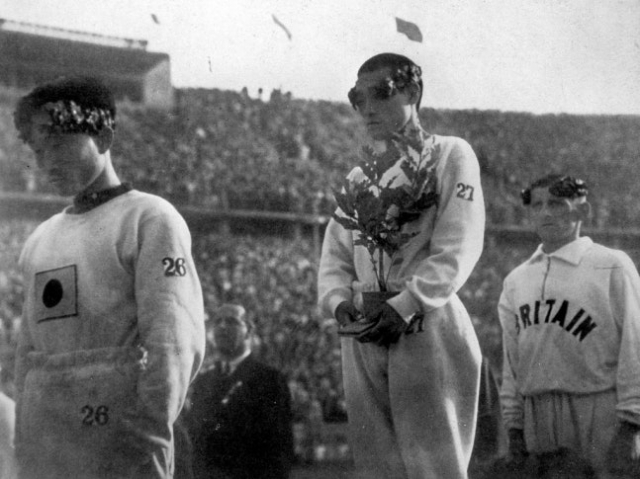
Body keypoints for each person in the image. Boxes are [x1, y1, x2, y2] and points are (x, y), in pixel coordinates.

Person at [12, 76, 206, 479]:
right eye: (39, 149)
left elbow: (172, 342)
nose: (47, 162)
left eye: (60, 144)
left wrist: (146, 432)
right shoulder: (39, 239)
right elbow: (27, 351)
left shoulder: (150, 219)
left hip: (122, 445)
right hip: (48, 448)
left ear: (102, 136)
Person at [318, 53, 486, 479]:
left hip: (422, 320)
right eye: (358, 97)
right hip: (364, 327)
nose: (367, 107)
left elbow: (457, 245)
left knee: (434, 465)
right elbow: (335, 256)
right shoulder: (359, 178)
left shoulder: (450, 154)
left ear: (413, 92)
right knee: (377, 467)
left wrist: (409, 303)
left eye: (381, 93)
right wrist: (339, 304)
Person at [498, 174, 640, 478]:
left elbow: (636, 346)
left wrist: (632, 424)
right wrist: (514, 427)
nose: (546, 212)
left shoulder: (611, 264)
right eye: (537, 205)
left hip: (598, 408)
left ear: (582, 211)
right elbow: (512, 365)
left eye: (557, 204)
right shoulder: (516, 280)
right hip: (537, 414)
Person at [185, 304, 294, 479]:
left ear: (248, 331)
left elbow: (279, 449)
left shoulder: (269, 379)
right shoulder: (203, 381)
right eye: (217, 322)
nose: (222, 326)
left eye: (231, 321)